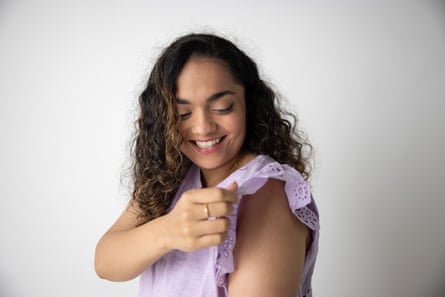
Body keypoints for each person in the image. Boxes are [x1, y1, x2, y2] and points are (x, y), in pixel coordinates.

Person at [95, 33, 319, 297]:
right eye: (183, 114)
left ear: (250, 104)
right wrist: (168, 230)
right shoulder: (174, 175)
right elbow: (105, 261)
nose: (203, 128)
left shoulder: (264, 192)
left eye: (223, 107)